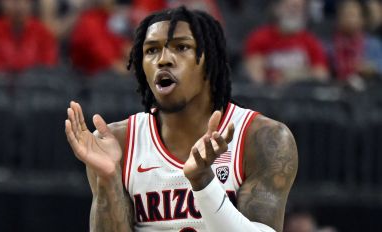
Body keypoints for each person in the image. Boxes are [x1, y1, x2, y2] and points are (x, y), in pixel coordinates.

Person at [65, 6, 298, 232]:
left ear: (209, 60)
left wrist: (203, 182)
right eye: (151, 50)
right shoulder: (119, 142)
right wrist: (108, 178)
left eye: (181, 47)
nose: (163, 59)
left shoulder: (262, 138)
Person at [244, 0, 328, 86]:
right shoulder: (259, 37)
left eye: (298, 8)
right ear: (277, 9)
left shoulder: (310, 41)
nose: (293, 11)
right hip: (269, 93)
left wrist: (291, 75)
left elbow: (321, 75)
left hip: (300, 93)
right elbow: (255, 74)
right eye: (289, 7)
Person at [0, 0, 58, 73]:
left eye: (24, 2)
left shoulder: (43, 32)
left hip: (35, 83)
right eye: (13, 2)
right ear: (2, 3)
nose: (18, 6)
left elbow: (48, 63)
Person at [330, 0, 382, 84]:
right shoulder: (331, 45)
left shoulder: (373, 44)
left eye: (352, 15)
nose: (349, 19)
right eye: (345, 15)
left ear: (362, 19)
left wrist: (372, 67)